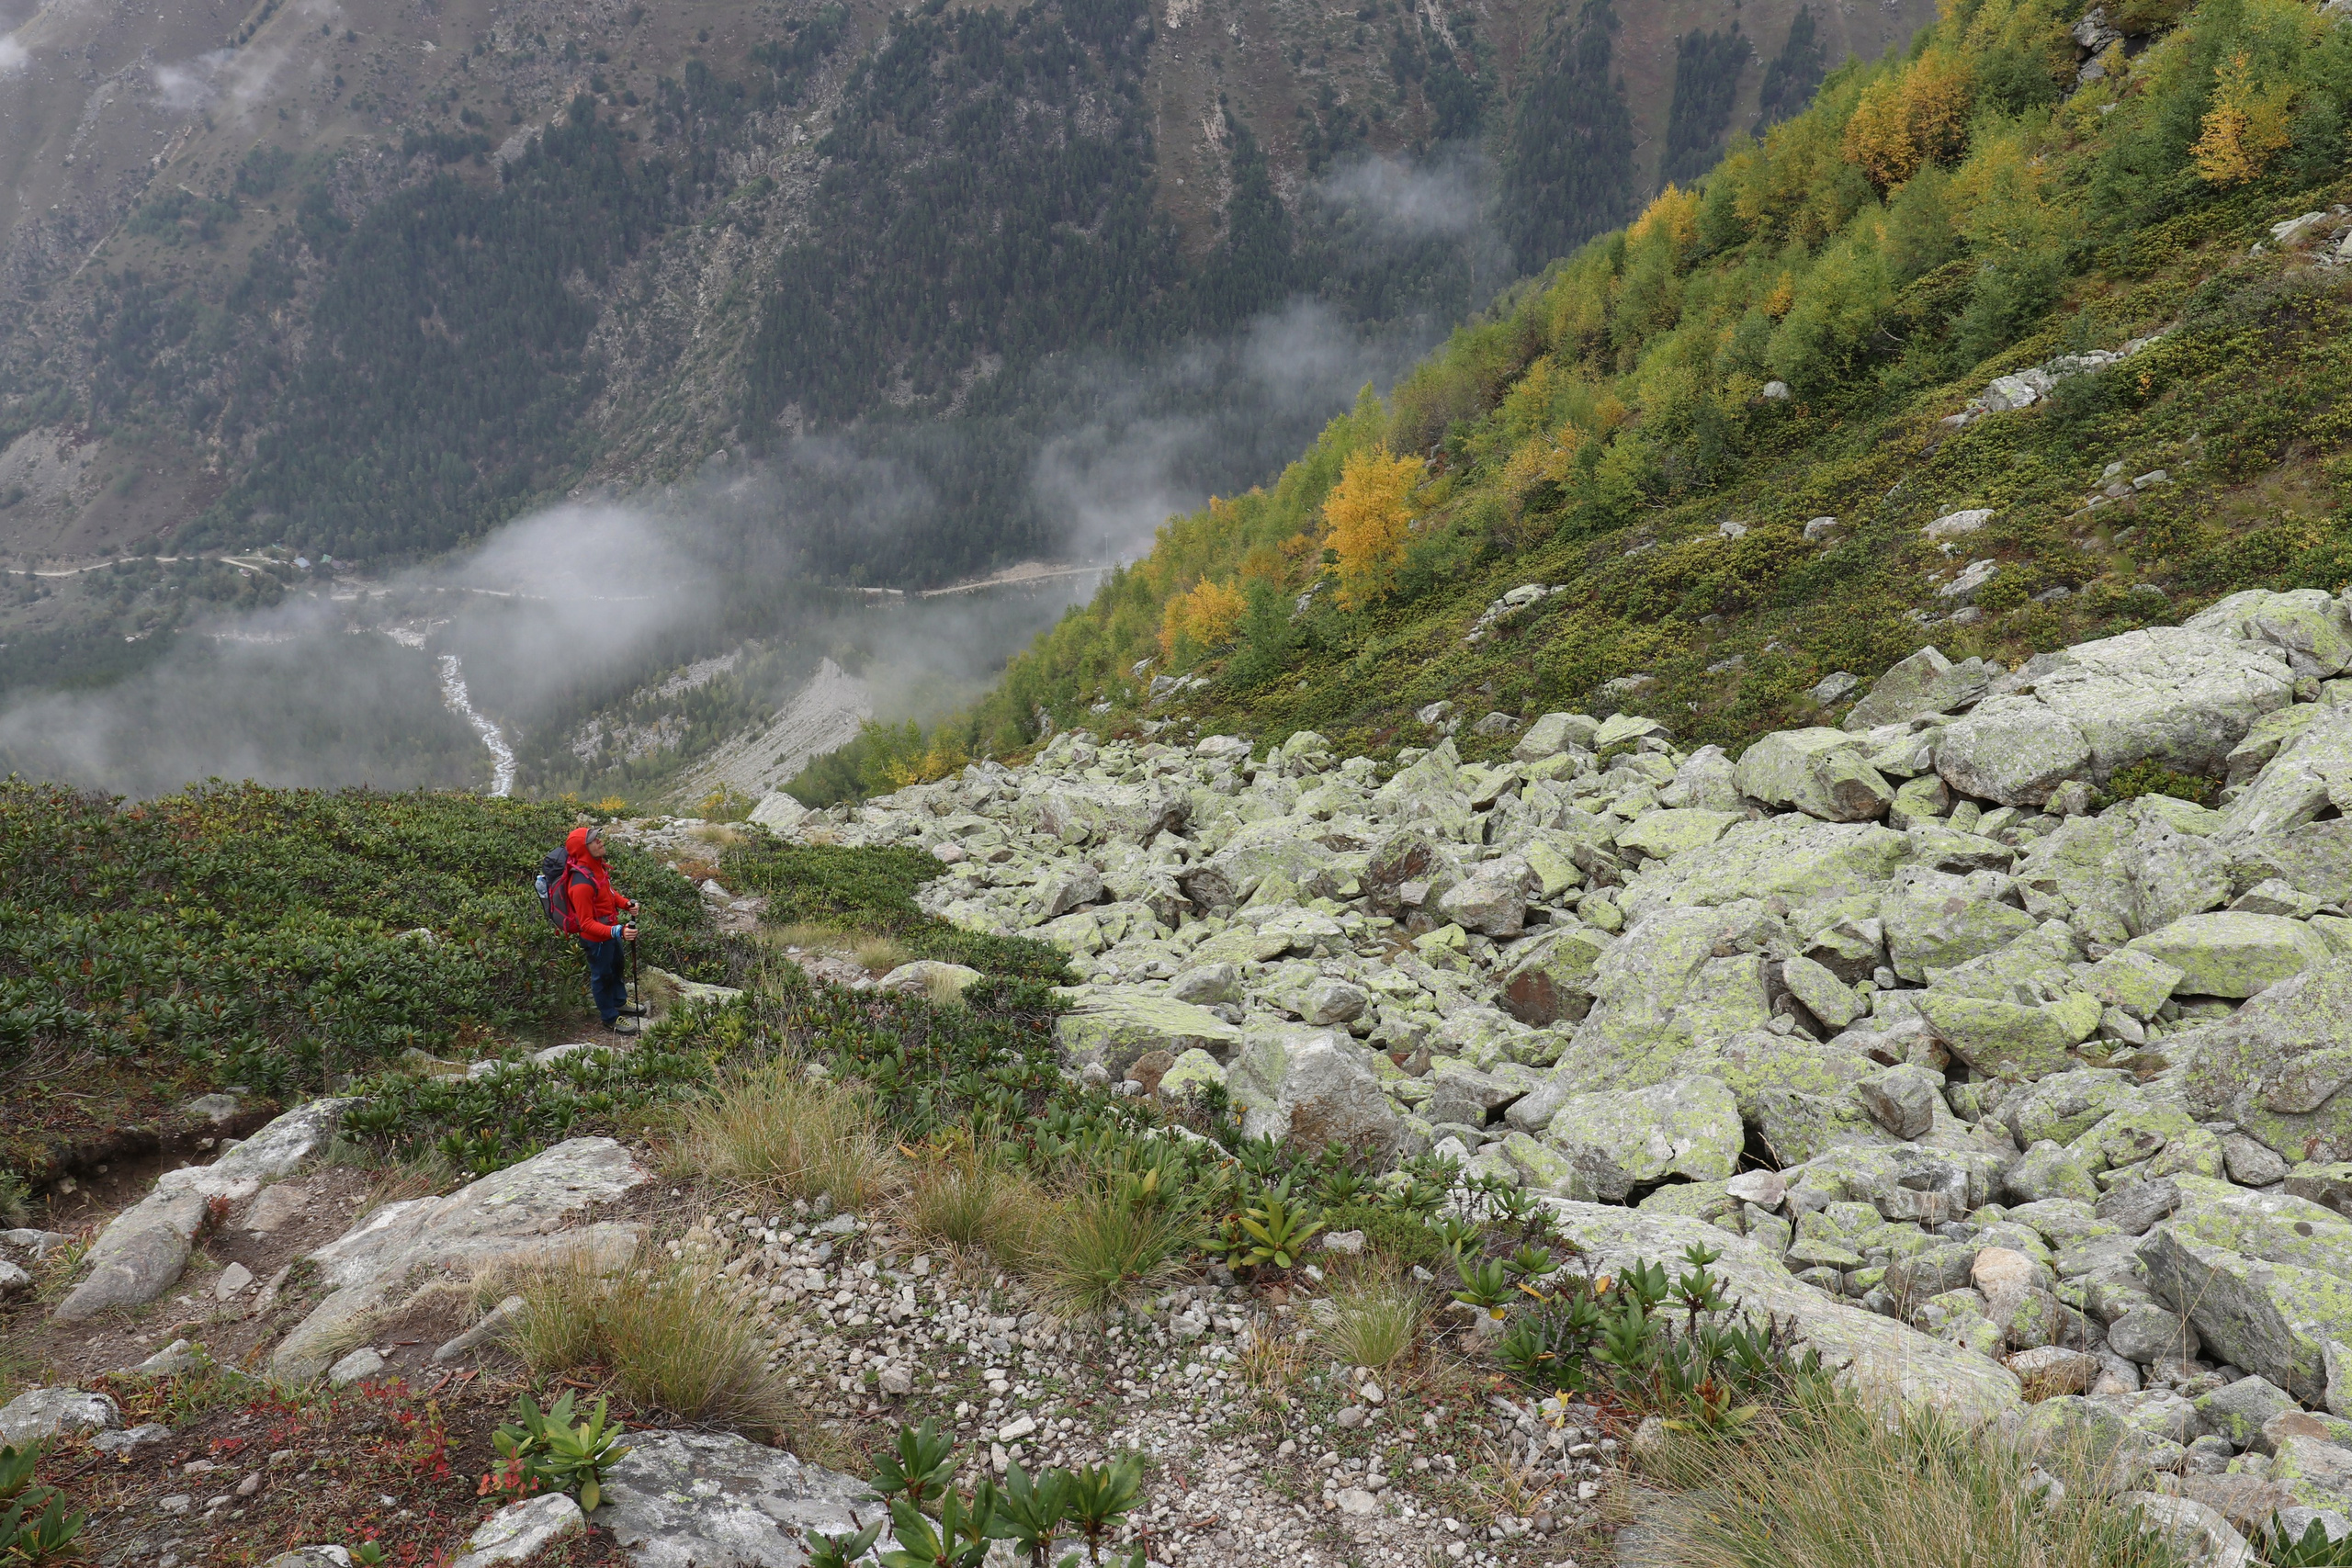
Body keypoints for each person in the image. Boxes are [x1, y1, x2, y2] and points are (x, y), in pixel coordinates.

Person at [562, 823, 641, 1034]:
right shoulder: (580, 884)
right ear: (583, 849)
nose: (600, 842)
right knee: (602, 975)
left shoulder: (596, 868)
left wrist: (625, 904)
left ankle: (619, 1001)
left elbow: (609, 892)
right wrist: (618, 932)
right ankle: (609, 1017)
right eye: (594, 841)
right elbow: (586, 923)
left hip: (610, 931)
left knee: (616, 966)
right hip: (596, 940)